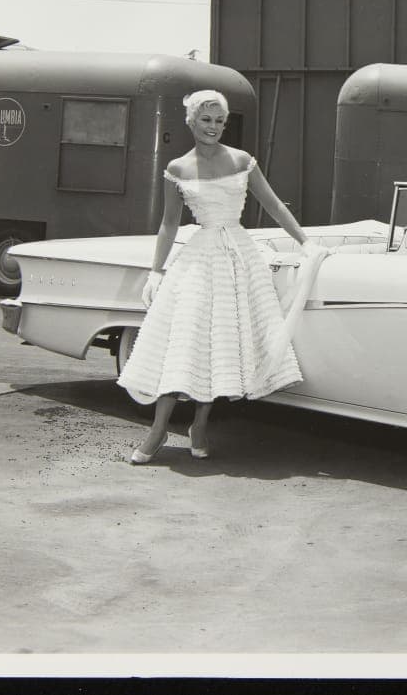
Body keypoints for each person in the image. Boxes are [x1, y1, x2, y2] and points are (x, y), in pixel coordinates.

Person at [118, 89, 326, 464]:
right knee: (185, 343)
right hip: (199, 260)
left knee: (223, 347)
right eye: (205, 119)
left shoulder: (242, 161)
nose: (212, 127)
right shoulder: (177, 168)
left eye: (219, 121)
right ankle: (159, 429)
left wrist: (306, 242)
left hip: (239, 261)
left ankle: (200, 424)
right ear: (191, 121)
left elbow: (275, 205)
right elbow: (168, 224)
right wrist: (155, 271)